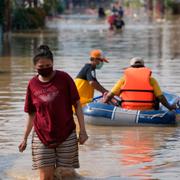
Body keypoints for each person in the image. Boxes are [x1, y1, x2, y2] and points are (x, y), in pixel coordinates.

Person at [18, 45, 88, 180]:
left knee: (66, 175)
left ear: (53, 63)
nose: (45, 68)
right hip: (42, 135)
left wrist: (83, 131)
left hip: (66, 133)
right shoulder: (32, 84)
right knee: (46, 177)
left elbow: (77, 105)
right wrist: (25, 138)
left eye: (48, 65)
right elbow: (31, 114)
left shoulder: (64, 78)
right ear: (35, 66)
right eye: (41, 66)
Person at [103, 57, 176, 111]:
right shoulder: (151, 80)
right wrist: (170, 107)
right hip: (148, 110)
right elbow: (161, 97)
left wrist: (102, 105)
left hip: (128, 109)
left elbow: (110, 95)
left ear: (131, 67)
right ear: (144, 67)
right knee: (157, 94)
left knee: (109, 95)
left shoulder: (123, 79)